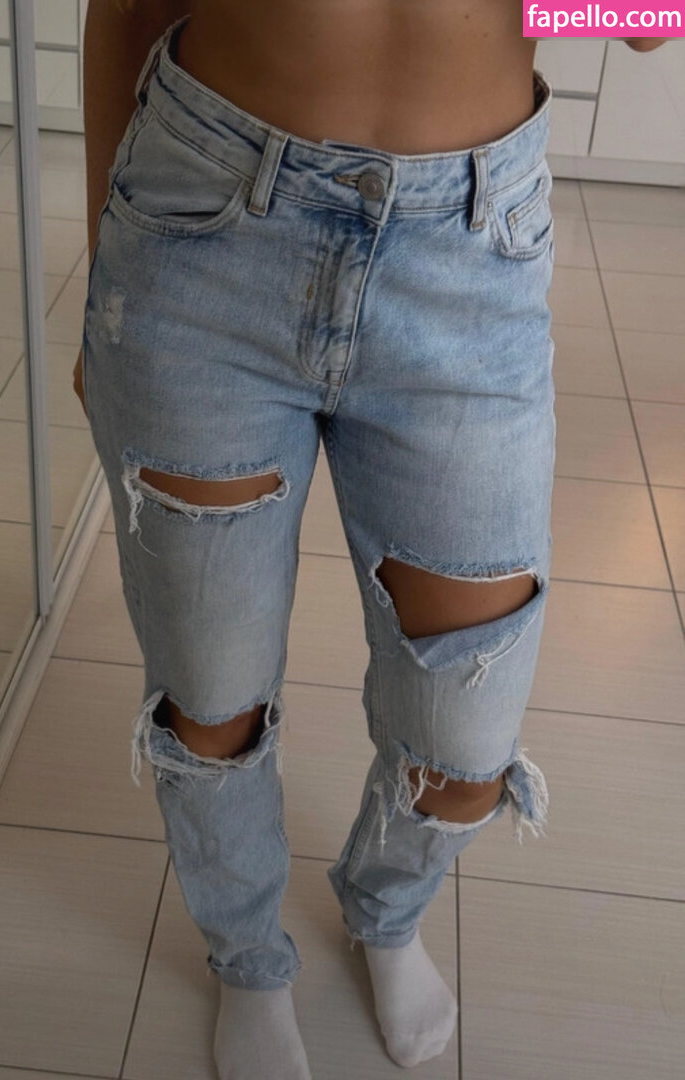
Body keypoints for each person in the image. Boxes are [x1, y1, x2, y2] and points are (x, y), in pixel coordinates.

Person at [73, 4, 669, 1077]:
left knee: (465, 741)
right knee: (211, 701)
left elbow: (644, 22)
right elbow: (125, 7)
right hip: (204, 220)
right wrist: (101, 270)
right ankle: (246, 957)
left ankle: (384, 914)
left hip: (467, 249)